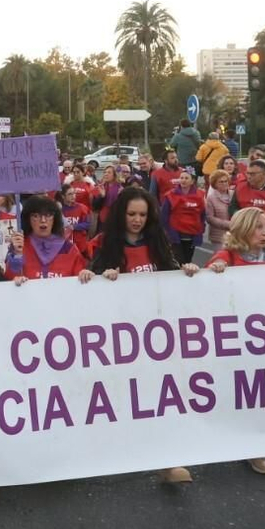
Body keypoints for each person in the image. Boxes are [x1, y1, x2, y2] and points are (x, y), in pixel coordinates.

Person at [88, 189, 197, 484]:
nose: (137, 220)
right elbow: (87, 288)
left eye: (142, 215)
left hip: (155, 338)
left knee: (158, 399)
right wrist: (100, 278)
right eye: (131, 214)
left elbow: (172, 276)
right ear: (120, 214)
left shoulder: (157, 242)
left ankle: (165, 461)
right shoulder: (103, 244)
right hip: (119, 339)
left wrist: (186, 271)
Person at [203, 207, 265, 475]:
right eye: (258, 227)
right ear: (243, 230)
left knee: (259, 393)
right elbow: (204, 292)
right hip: (234, 340)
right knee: (234, 392)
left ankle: (254, 448)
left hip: (263, 339)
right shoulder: (227, 257)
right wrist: (214, 272)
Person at [6, 195, 92, 282]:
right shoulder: (20, 246)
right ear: (28, 219)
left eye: (48, 215)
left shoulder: (69, 249)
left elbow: (81, 282)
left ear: (55, 219)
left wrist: (85, 274)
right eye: (36, 216)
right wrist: (16, 256)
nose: (43, 220)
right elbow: (8, 281)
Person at [160, 169, 206, 265]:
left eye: (186, 178)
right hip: (175, 235)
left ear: (192, 181)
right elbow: (164, 216)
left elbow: (202, 215)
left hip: (192, 234)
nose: (183, 180)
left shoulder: (200, 195)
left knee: (188, 261)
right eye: (181, 178)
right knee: (179, 262)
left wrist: (201, 230)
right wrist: (168, 232)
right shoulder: (170, 195)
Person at [202, 169, 235, 257]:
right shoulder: (211, 198)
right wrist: (228, 224)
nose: (224, 183)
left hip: (235, 234)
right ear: (215, 184)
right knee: (221, 257)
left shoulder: (234, 194)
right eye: (221, 182)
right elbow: (210, 218)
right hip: (219, 236)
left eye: (226, 181)